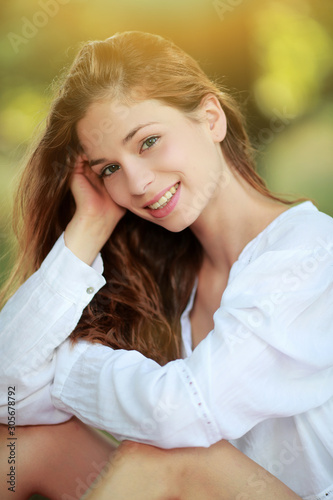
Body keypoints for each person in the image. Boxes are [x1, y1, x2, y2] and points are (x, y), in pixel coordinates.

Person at [0, 30, 332, 500]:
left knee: (167, 452)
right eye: (108, 169)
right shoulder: (166, 277)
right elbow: (5, 394)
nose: (135, 183)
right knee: (23, 442)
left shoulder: (312, 253)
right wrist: (88, 228)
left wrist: (62, 370)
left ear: (210, 118)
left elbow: (184, 410)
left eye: (148, 141)